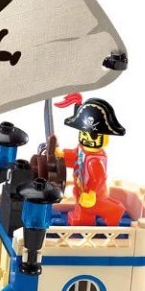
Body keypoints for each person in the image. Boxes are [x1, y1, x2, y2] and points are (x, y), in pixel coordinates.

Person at [58, 97, 127, 226]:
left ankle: (114, 211)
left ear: (105, 138)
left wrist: (92, 193)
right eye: (83, 134)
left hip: (93, 194)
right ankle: (82, 218)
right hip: (81, 187)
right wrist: (62, 155)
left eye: (93, 136)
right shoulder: (82, 150)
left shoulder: (95, 160)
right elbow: (74, 157)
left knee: (90, 206)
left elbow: (98, 178)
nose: (87, 138)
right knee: (82, 203)